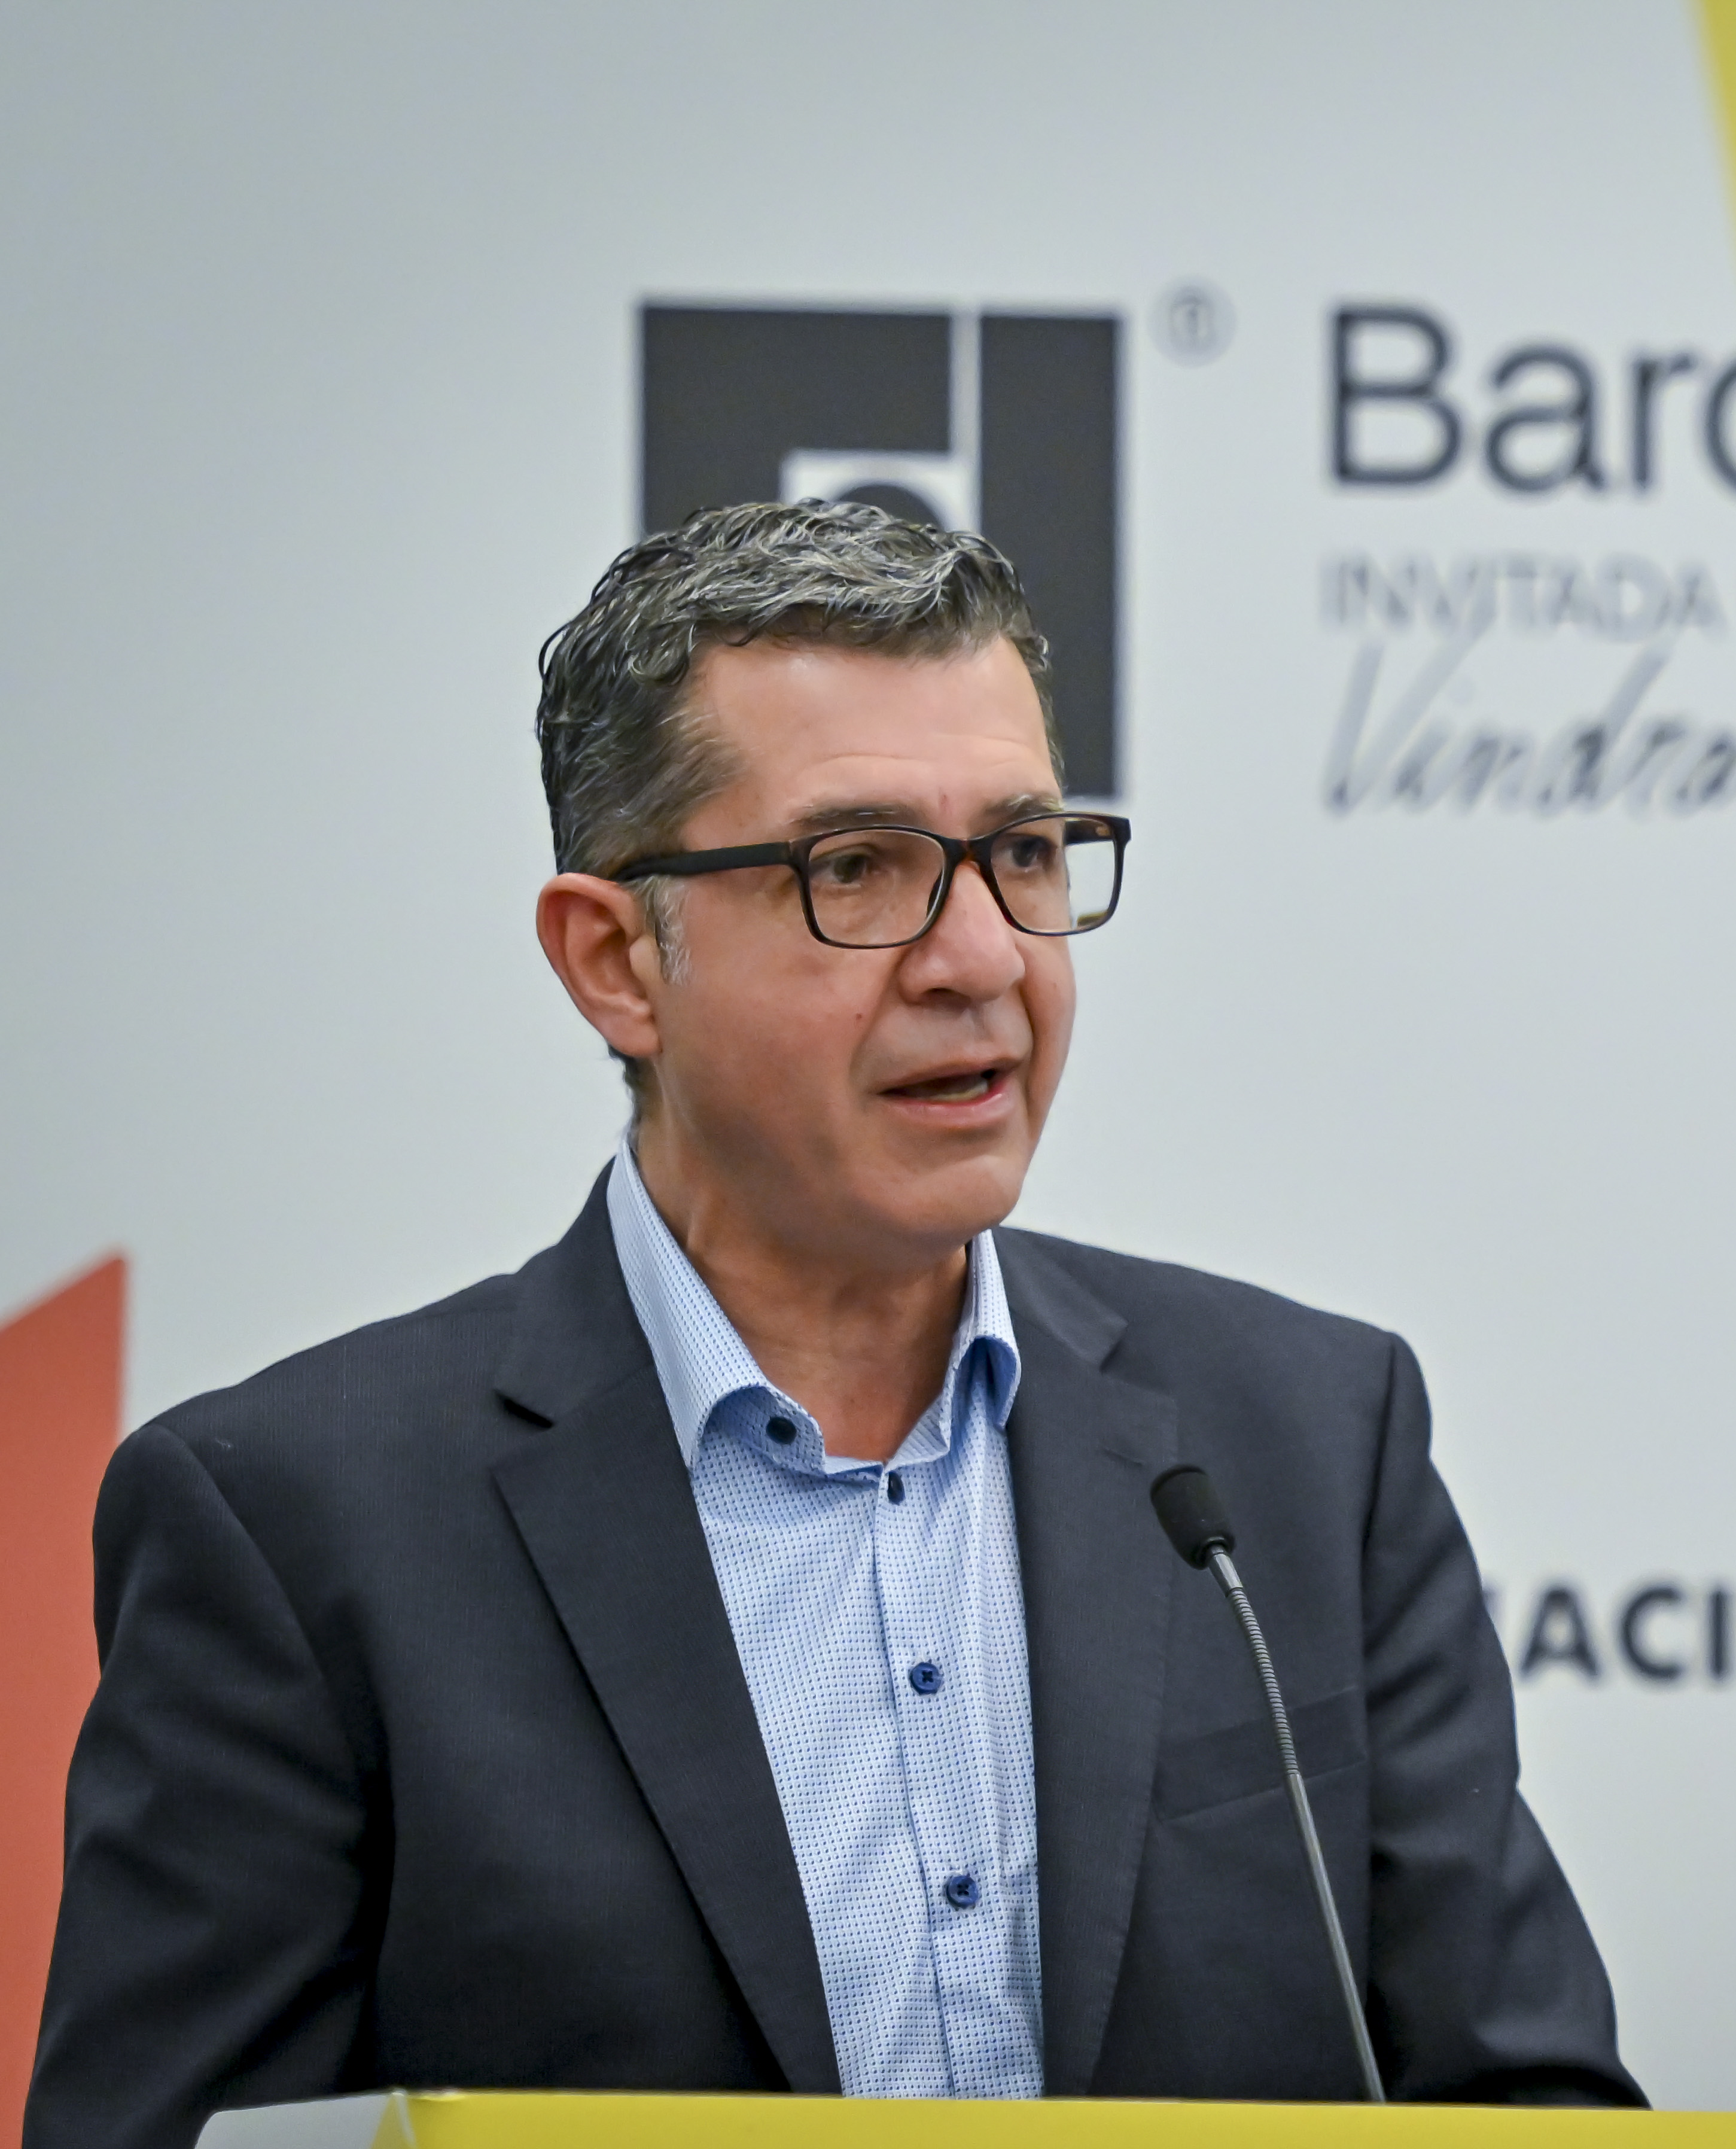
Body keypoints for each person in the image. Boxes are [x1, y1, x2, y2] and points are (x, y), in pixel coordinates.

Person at [28, 502, 1638, 2149]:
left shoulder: (1305, 1444)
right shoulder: (298, 1524)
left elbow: (1530, 2108)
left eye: (1023, 853)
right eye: (854, 869)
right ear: (616, 962)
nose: (979, 959)